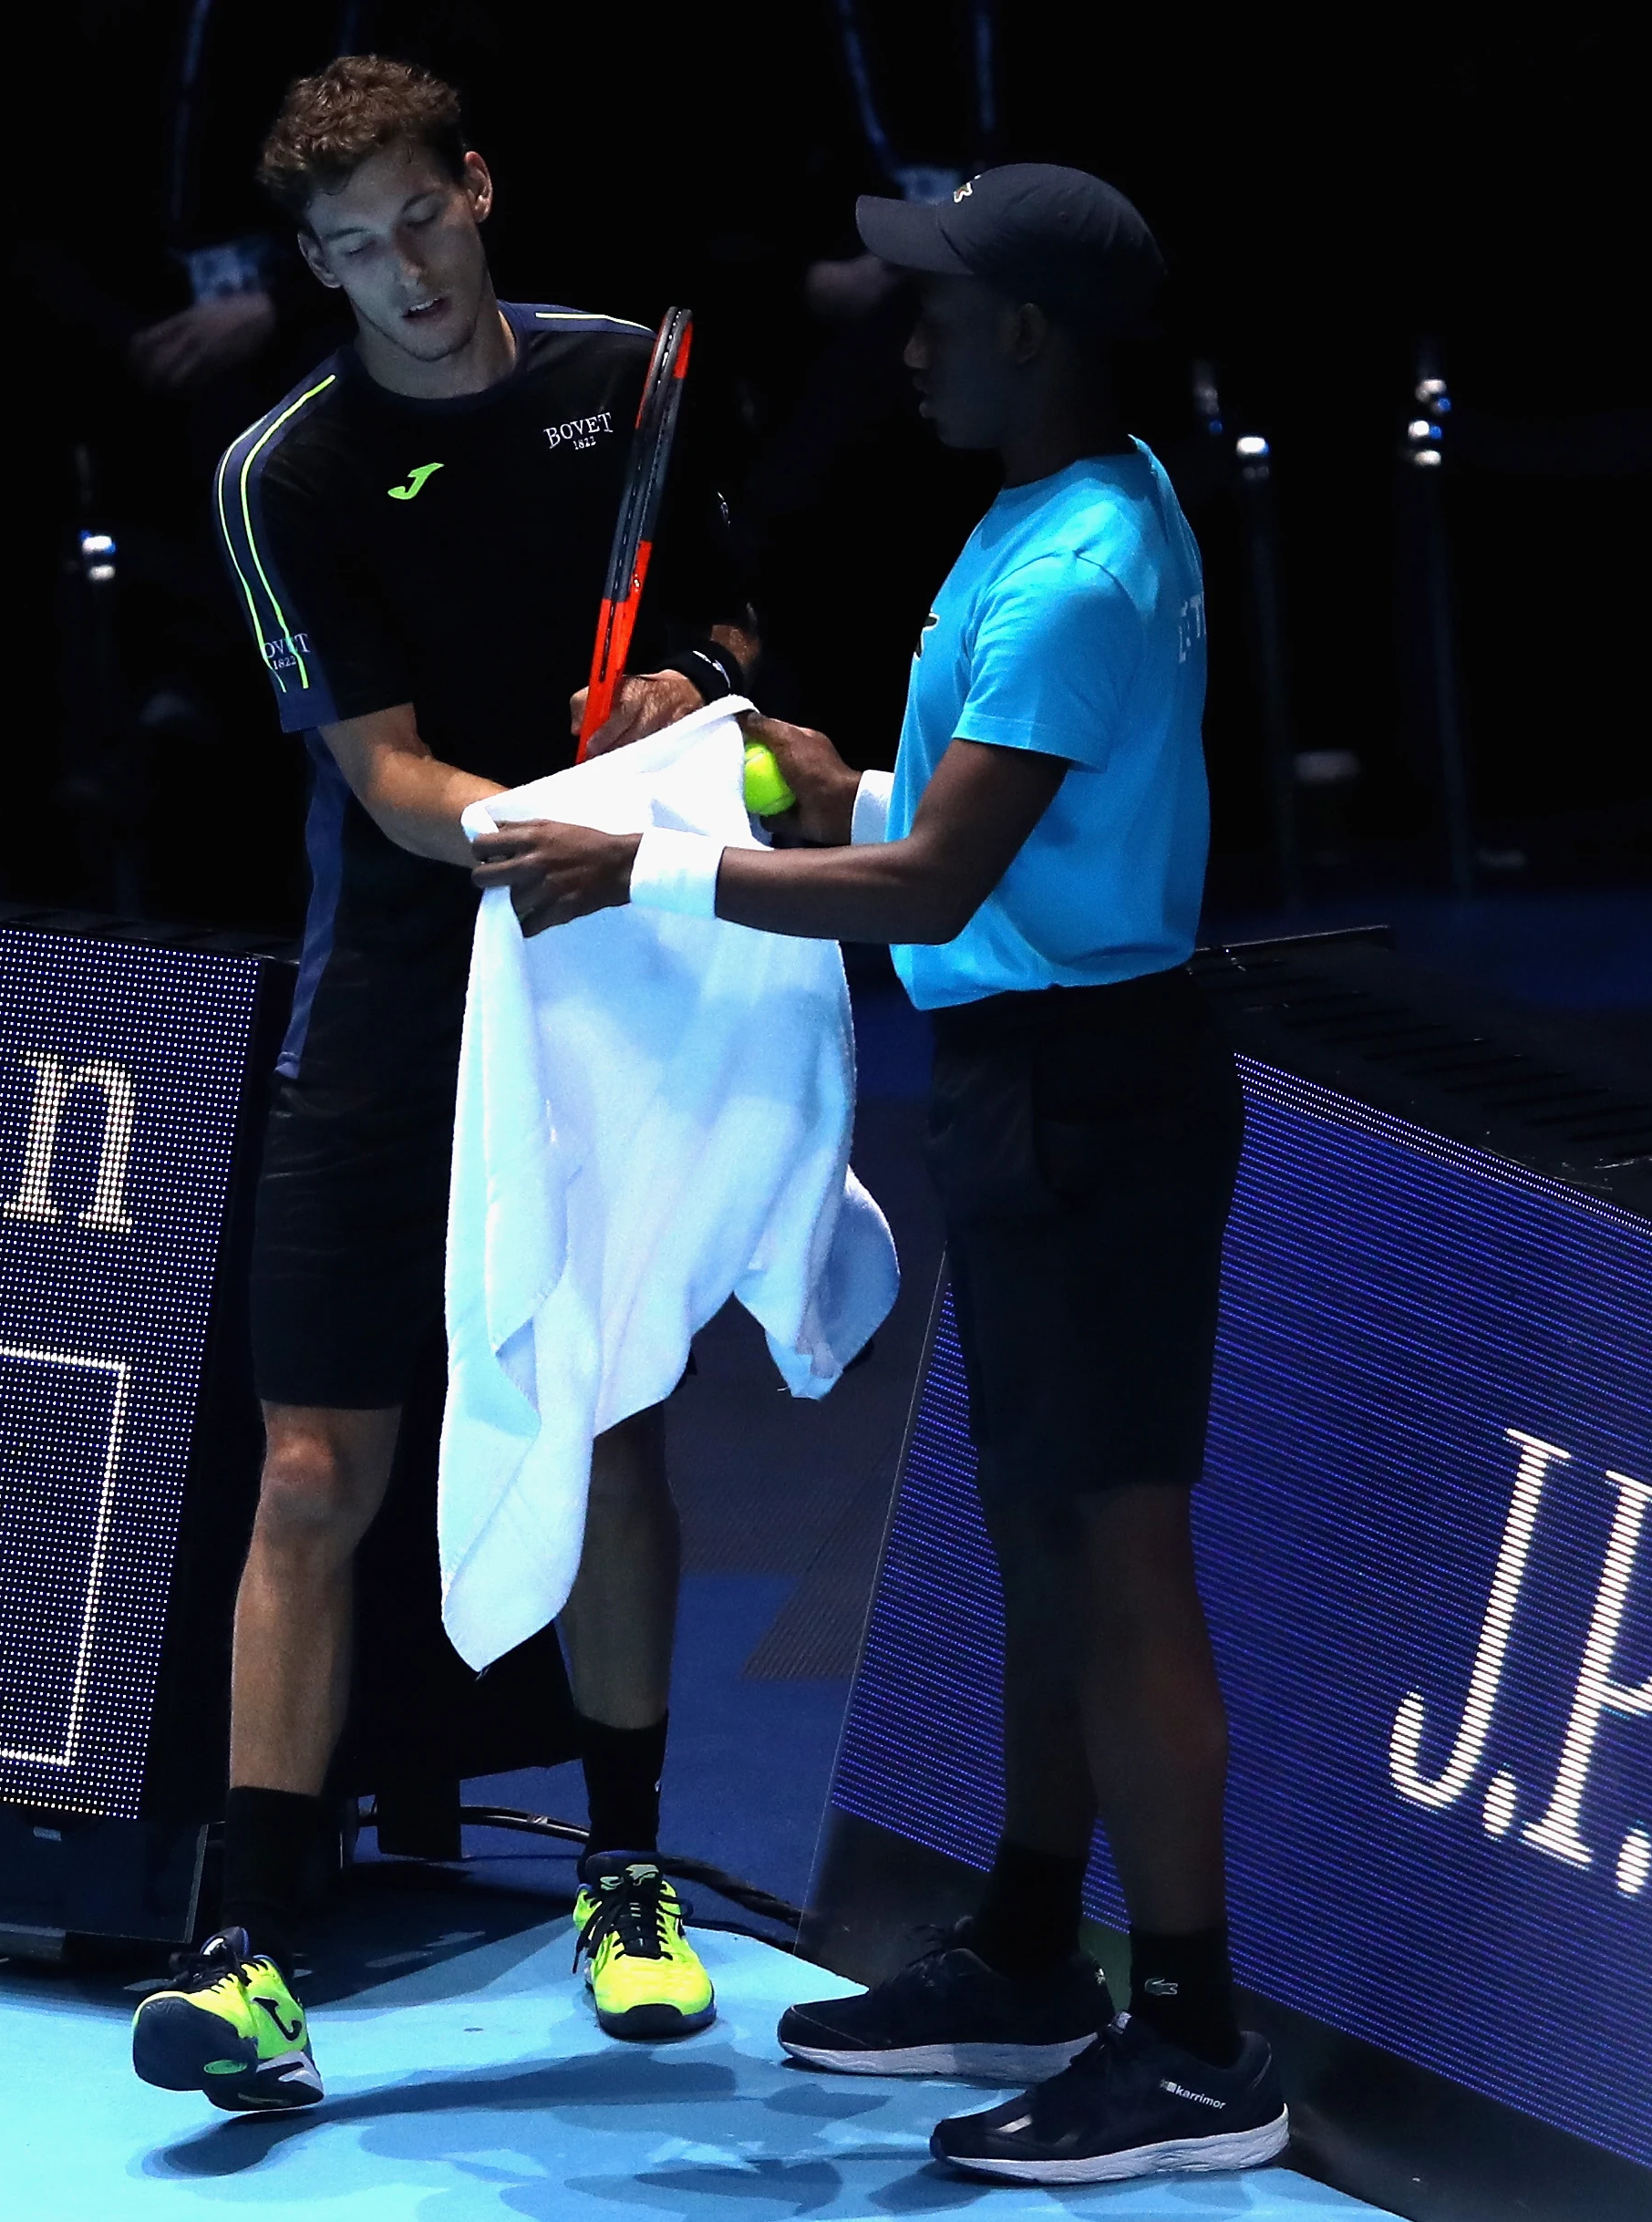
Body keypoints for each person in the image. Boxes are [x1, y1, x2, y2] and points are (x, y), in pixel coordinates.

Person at [472, 165, 1286, 2186]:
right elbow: (934, 822)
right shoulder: (1033, 516)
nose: (900, 336)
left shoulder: (1089, 561)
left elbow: (936, 886)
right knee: (1033, 1541)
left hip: (1100, 1094)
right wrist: (817, 779)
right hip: (1024, 1079)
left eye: (935, 305)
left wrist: (647, 863)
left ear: (1035, 332)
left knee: (1117, 1556)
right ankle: (1029, 1947)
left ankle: (1195, 2035)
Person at [126, 54, 763, 2115]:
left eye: (418, 220)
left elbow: (737, 634)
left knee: (613, 1431)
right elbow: (390, 783)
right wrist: (547, 832)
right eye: (345, 251)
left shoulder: (628, 378)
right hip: (400, 1009)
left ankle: (630, 1875)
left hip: (606, 992)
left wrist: (691, 692)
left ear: (477, 189)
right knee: (317, 1471)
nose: (395, 274)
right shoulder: (283, 477)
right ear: (308, 265)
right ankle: (244, 1953)